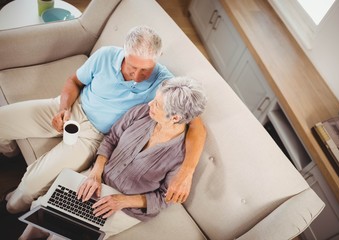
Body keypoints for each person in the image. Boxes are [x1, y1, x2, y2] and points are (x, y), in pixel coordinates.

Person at [0, 25, 206, 214]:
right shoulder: (106, 55)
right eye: (132, 67)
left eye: (146, 70)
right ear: (124, 53)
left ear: (157, 60)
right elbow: (74, 81)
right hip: (73, 108)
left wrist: (186, 172)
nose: (137, 76)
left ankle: (9, 209)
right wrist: (63, 109)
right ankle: (11, 154)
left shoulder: (164, 83)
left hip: (95, 137)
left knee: (29, 186)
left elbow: (196, 126)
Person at [19, 76, 207, 240]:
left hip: (127, 206)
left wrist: (123, 201)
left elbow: (164, 198)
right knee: (44, 211)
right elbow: (112, 139)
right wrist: (96, 173)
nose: (150, 104)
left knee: (64, 235)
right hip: (98, 180)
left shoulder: (181, 155)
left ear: (175, 118)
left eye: (157, 104)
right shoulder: (142, 112)